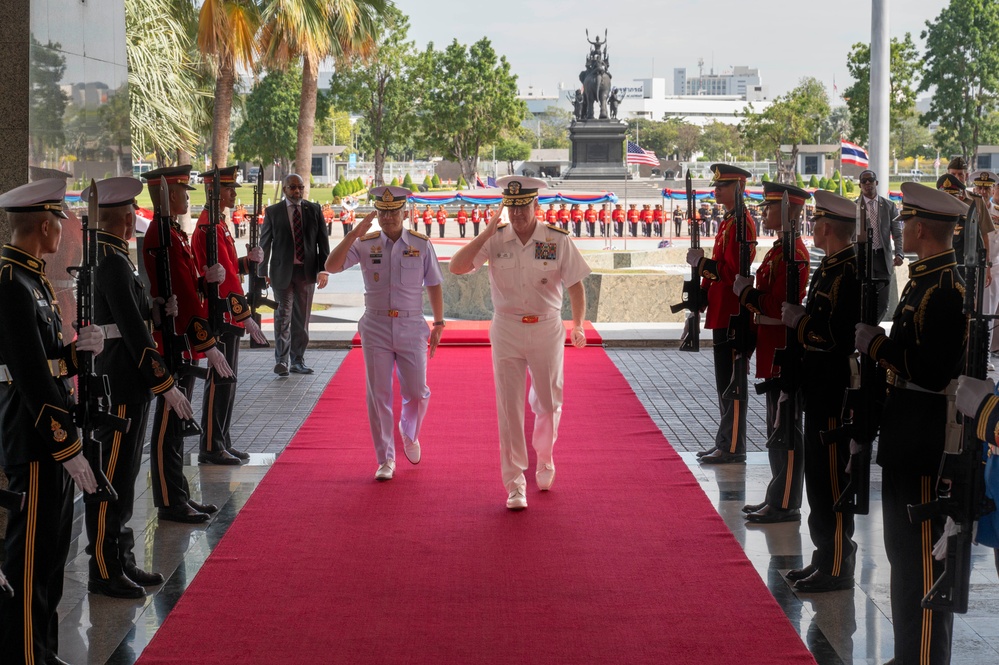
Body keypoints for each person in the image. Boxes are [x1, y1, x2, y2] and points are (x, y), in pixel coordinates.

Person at [855, 183, 969, 664]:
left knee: (921, 559)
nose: (902, 230)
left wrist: (875, 347)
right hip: (907, 430)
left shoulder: (946, 288)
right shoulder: (925, 280)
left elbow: (930, 369)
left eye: (906, 223)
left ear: (922, 228)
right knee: (903, 558)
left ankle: (922, 657)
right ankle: (908, 654)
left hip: (926, 436)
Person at [0, 178, 103, 664]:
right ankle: (25, 654)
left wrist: (78, 352)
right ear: (45, 225)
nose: (63, 229)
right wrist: (68, 446)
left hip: (52, 438)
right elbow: (29, 378)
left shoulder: (32, 278)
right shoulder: (10, 283)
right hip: (35, 440)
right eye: (59, 221)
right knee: (29, 563)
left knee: (52, 558)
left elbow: (49, 364)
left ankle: (40, 648)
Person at [81, 177, 195, 600]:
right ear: (127, 219)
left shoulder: (115, 257)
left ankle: (121, 557)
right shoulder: (109, 261)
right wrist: (165, 384)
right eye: (132, 215)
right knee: (113, 477)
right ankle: (105, 567)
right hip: (121, 383)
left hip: (129, 382)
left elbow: (131, 312)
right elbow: (132, 333)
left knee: (125, 477)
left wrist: (157, 307)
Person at [449, 176, 590, 510]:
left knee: (549, 401)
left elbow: (575, 285)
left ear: (535, 205)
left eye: (523, 207)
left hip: (546, 328)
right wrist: (485, 232)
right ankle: (514, 484)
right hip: (507, 329)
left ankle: (544, 455)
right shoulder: (496, 239)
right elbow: (456, 267)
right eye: (511, 208)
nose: (517, 215)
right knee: (508, 409)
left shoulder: (556, 240)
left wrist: (579, 324)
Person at [325, 186, 445, 480]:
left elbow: (434, 282)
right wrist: (353, 233)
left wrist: (439, 322)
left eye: (393, 211)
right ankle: (385, 459)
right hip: (376, 325)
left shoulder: (420, 243)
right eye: (382, 212)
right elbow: (331, 265)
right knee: (378, 395)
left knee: (417, 392)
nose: (388, 217)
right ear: (375, 213)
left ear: (404, 212)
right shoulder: (364, 243)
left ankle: (409, 431)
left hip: (411, 324)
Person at [142, 165, 234, 524]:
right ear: (165, 196)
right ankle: (169, 499)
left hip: (183, 338)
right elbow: (177, 292)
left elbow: (188, 286)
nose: (187, 197)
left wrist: (203, 279)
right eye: (181, 191)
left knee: (178, 424)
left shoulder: (174, 233)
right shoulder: (160, 234)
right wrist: (206, 343)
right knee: (168, 425)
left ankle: (178, 493)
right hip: (174, 340)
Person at [781, 190, 862, 593]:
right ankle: (823, 556)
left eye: (815, 222)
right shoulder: (830, 267)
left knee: (830, 478)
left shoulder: (849, 272)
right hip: (818, 382)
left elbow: (839, 336)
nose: (812, 227)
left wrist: (800, 323)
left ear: (827, 227)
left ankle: (837, 564)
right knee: (817, 475)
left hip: (834, 386)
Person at [732, 182, 810, 522]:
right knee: (776, 428)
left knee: (787, 427)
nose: (764, 213)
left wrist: (747, 296)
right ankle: (777, 495)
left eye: (771, 207)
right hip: (770, 347)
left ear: (789, 211)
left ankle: (786, 502)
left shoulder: (794, 254)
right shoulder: (778, 251)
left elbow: (780, 306)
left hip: (783, 348)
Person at [192, 166, 269, 465]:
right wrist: (243, 314)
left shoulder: (218, 224)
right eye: (229, 189)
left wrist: (248, 263)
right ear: (213, 192)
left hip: (230, 312)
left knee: (229, 381)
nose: (234, 193)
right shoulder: (208, 227)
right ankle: (211, 444)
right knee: (220, 382)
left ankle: (221, 439)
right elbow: (221, 281)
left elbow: (229, 271)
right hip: (221, 314)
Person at [687, 164, 758, 464]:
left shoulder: (743, 224)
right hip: (720, 310)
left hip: (733, 314)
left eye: (722, 186)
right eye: (716, 186)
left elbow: (730, 272)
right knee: (723, 382)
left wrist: (702, 264)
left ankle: (732, 446)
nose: (716, 191)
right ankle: (725, 440)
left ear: (738, 189)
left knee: (733, 382)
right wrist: (700, 293)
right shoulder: (729, 222)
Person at [258, 173, 330, 376]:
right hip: (282, 273)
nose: (297, 191)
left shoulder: (314, 210)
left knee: (301, 319)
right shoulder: (273, 212)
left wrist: (324, 270)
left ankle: (298, 360)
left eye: (300, 187)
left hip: (306, 273)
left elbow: (322, 243)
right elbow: (265, 244)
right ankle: (281, 361)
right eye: (292, 187)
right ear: (285, 189)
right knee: (282, 315)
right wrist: (262, 272)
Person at [856, 169, 903, 321]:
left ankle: (871, 329)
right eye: (864, 181)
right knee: (863, 300)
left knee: (883, 302)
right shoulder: (854, 207)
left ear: (876, 183)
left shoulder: (889, 206)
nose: (868, 183)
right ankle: (863, 329)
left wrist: (899, 253)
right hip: (863, 259)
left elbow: (897, 233)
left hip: (883, 258)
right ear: (860, 185)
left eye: (871, 180)